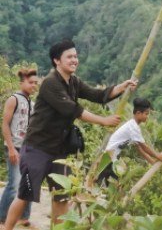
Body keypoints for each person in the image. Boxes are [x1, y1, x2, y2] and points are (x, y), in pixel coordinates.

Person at [2, 39, 137, 230]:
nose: (74, 60)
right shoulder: (50, 83)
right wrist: (104, 121)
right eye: (69, 57)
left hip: (60, 152)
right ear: (57, 61)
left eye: (75, 56)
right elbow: (72, 110)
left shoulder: (73, 82)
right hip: (38, 148)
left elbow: (97, 95)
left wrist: (121, 87)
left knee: (61, 197)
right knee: (25, 194)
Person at [97, 98, 162, 184]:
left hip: (112, 158)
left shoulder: (132, 125)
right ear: (138, 113)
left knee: (109, 183)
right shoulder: (133, 127)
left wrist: (152, 162)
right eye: (146, 114)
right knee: (107, 184)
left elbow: (139, 149)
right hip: (109, 159)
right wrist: (158, 156)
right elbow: (144, 146)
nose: (147, 116)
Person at [0, 69, 38, 227]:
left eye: (36, 83)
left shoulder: (31, 102)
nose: (34, 86)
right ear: (21, 82)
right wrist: (10, 148)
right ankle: (2, 217)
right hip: (14, 147)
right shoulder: (13, 99)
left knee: (29, 182)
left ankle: (24, 217)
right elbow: (5, 124)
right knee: (14, 184)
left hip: (29, 149)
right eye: (31, 83)